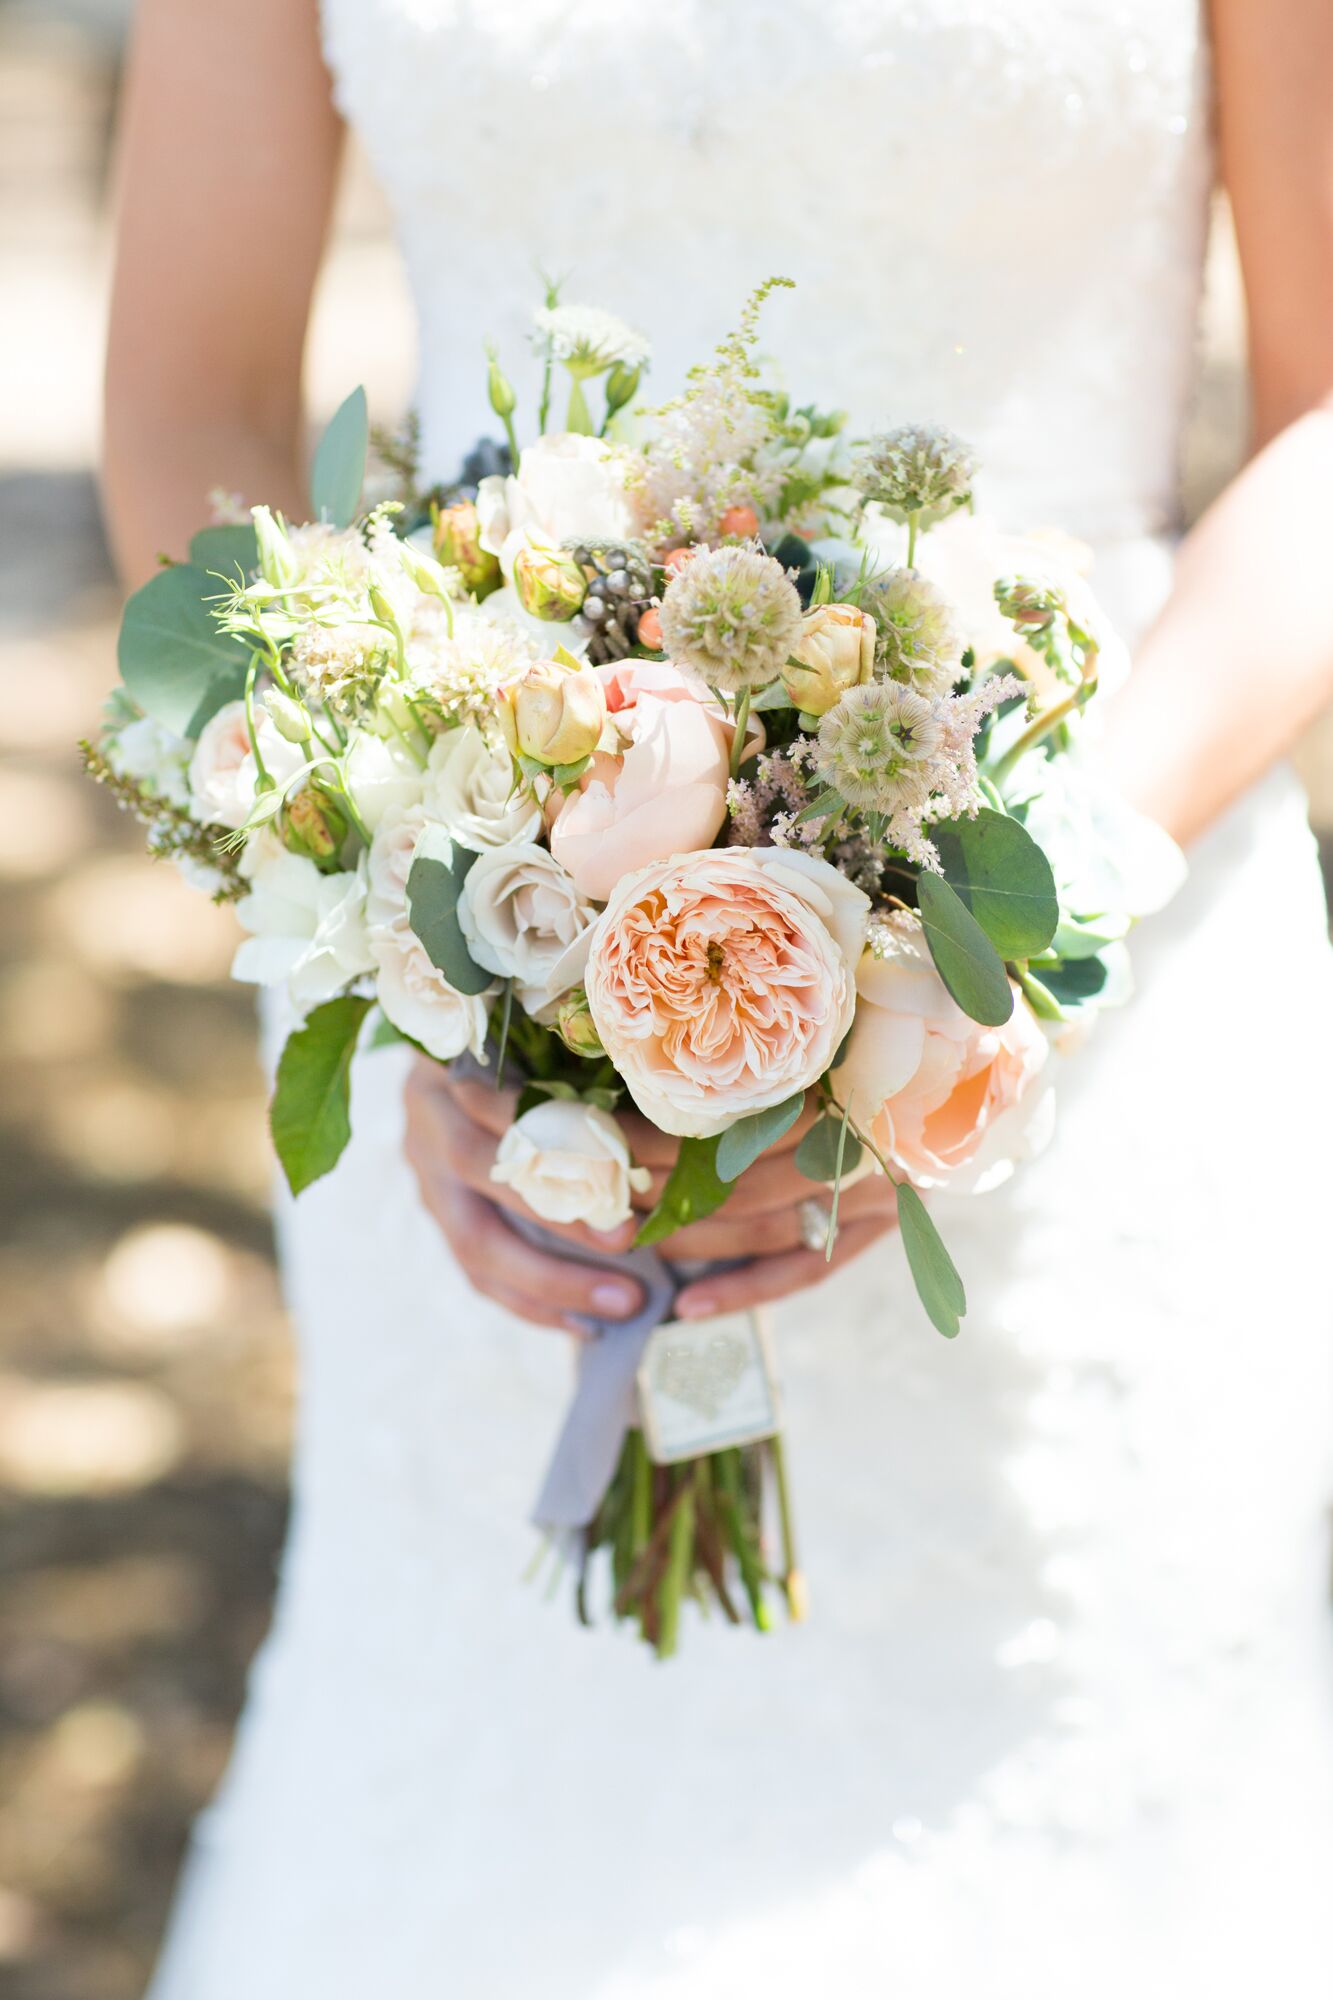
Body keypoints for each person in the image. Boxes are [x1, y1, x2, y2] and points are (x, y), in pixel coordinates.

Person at [104, 2, 1333, 1993]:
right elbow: (194, 403)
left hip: (1102, 947)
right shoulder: (456, 974)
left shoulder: (1067, 913)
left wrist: (1021, 935)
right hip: (488, 973)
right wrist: (415, 925)